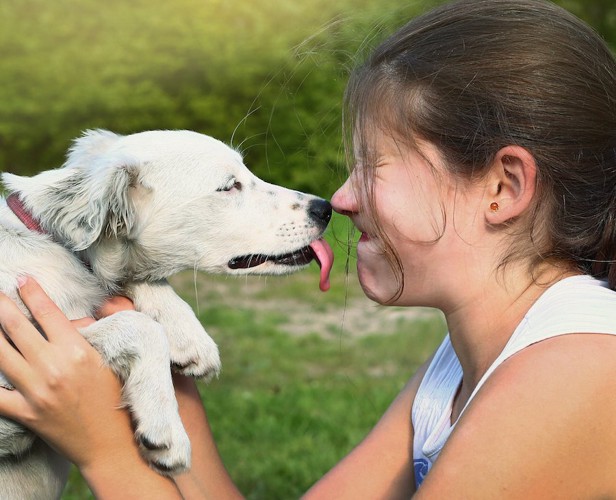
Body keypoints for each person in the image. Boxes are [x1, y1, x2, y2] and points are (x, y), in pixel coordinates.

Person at [2, 0, 616, 497]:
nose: (341, 199)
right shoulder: (461, 367)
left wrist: (104, 450)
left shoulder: (577, 373)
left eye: (372, 166)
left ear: (502, 187)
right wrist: (148, 343)